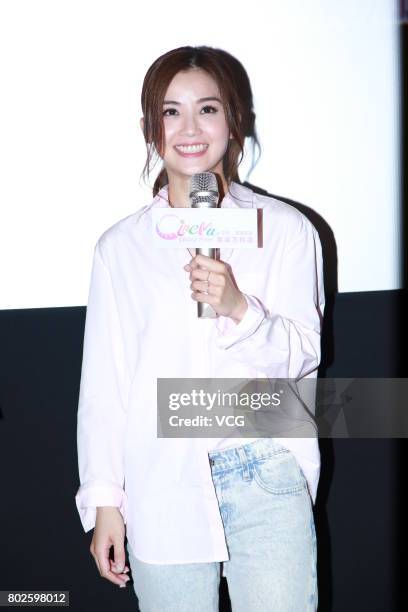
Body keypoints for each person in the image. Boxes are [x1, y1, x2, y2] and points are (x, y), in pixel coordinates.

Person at [75, 45, 325, 611]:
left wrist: (241, 308)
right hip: (161, 481)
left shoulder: (284, 230)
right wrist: (105, 502)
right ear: (151, 127)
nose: (190, 128)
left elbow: (304, 358)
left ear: (233, 121)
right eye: (171, 111)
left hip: (265, 471)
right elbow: (105, 390)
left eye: (208, 109)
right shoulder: (122, 248)